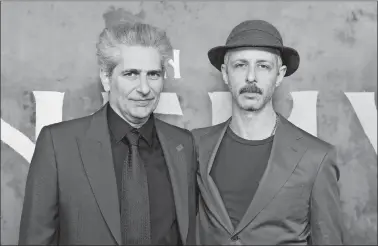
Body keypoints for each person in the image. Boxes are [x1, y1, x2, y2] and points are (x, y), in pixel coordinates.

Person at [19, 22, 197, 245]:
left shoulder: (183, 144)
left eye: (153, 74)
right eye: (131, 74)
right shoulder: (59, 145)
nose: (144, 88)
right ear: (106, 77)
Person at [192, 20, 345, 245]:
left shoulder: (316, 157)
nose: (251, 77)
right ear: (225, 73)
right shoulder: (195, 145)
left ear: (280, 75)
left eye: (263, 66)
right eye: (240, 65)